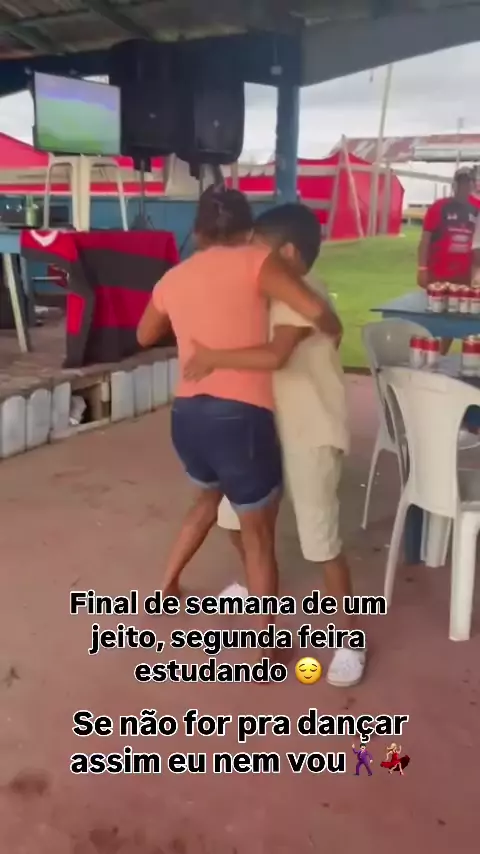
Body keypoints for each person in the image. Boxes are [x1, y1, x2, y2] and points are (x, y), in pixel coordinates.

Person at [136, 187, 341, 640]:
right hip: (241, 420)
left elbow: (144, 335)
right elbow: (311, 311)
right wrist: (333, 327)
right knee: (257, 535)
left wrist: (197, 332)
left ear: (197, 231)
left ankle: (168, 585)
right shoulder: (258, 265)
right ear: (247, 231)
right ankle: (266, 644)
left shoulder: (176, 277)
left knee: (211, 502)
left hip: (191, 416)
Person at [183, 203, 365, 688]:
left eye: (258, 249)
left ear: (287, 254)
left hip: (310, 430)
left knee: (320, 540)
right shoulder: (267, 289)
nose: (250, 258)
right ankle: (258, 586)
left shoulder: (301, 292)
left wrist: (213, 357)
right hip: (263, 424)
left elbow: (277, 355)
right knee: (235, 518)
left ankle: (349, 639)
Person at [417, 167, 478, 290]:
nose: (464, 187)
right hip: (438, 274)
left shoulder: (477, 207)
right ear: (454, 185)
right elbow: (425, 239)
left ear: (473, 186)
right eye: (461, 183)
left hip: (466, 275)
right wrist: (422, 268)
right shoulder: (439, 206)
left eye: (467, 183)